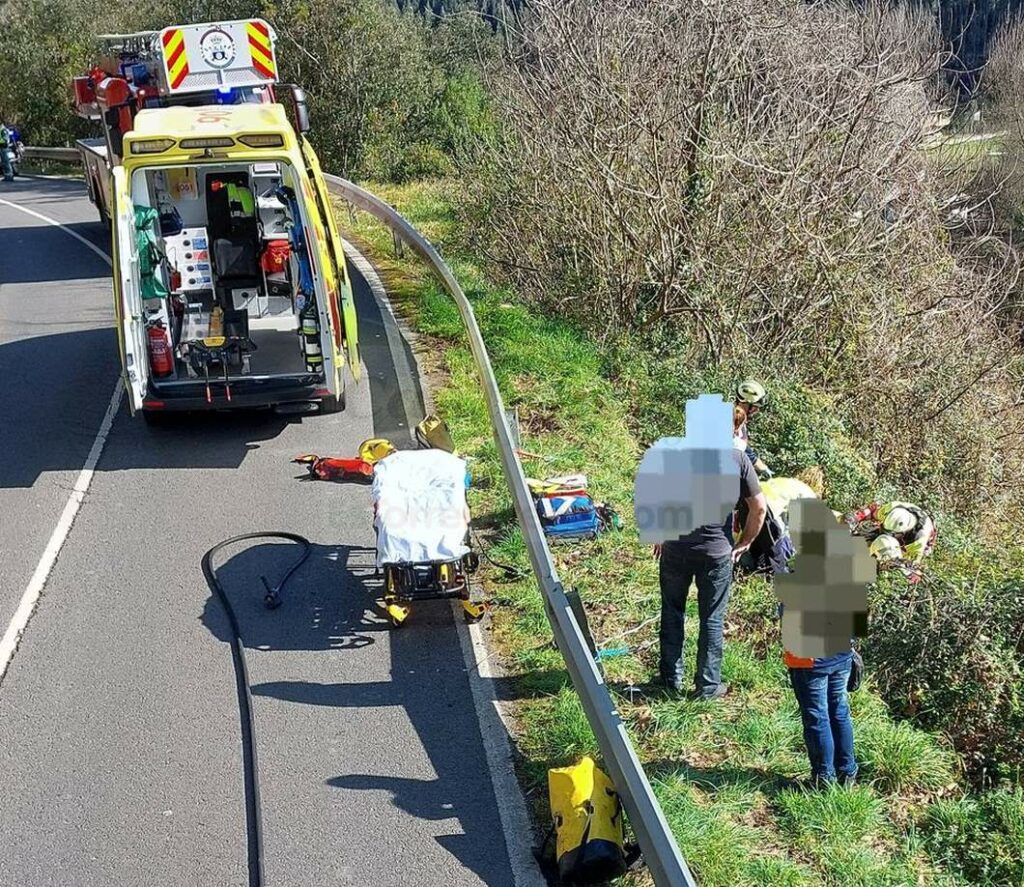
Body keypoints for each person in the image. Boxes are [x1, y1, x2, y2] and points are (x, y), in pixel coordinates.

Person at [655, 447, 767, 699]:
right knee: (712, 619)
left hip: (675, 546)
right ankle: (707, 686)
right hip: (716, 553)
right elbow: (759, 507)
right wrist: (745, 543)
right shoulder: (737, 459)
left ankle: (670, 678)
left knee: (672, 610)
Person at [785, 639, 858, 787]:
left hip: (811, 658)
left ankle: (824, 779)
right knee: (840, 713)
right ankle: (847, 773)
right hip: (843, 652)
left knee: (817, 718)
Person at [845, 500, 936, 565]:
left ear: (903, 533)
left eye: (889, 532)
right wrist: (855, 518)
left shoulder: (918, 543)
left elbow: (912, 568)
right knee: (869, 532)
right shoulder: (892, 508)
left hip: (912, 546)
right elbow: (872, 511)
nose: (883, 532)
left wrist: (896, 563)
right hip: (903, 522)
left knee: (887, 552)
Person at [734, 379, 773, 478]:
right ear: (747, 404)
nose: (757, 410)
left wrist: (762, 467)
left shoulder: (739, 419)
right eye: (756, 407)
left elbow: (744, 449)